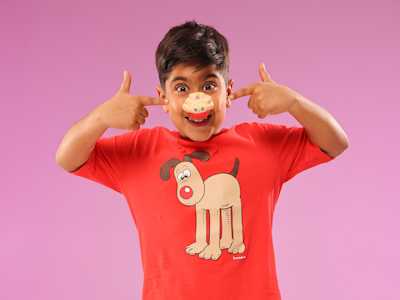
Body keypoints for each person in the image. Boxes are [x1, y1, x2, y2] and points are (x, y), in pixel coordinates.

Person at [55, 20, 349, 300]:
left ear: (228, 92)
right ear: (163, 97)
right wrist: (101, 118)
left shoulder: (262, 144)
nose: (198, 99)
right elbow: (67, 158)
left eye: (209, 85)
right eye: (182, 88)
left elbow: (336, 142)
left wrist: (293, 102)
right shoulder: (140, 151)